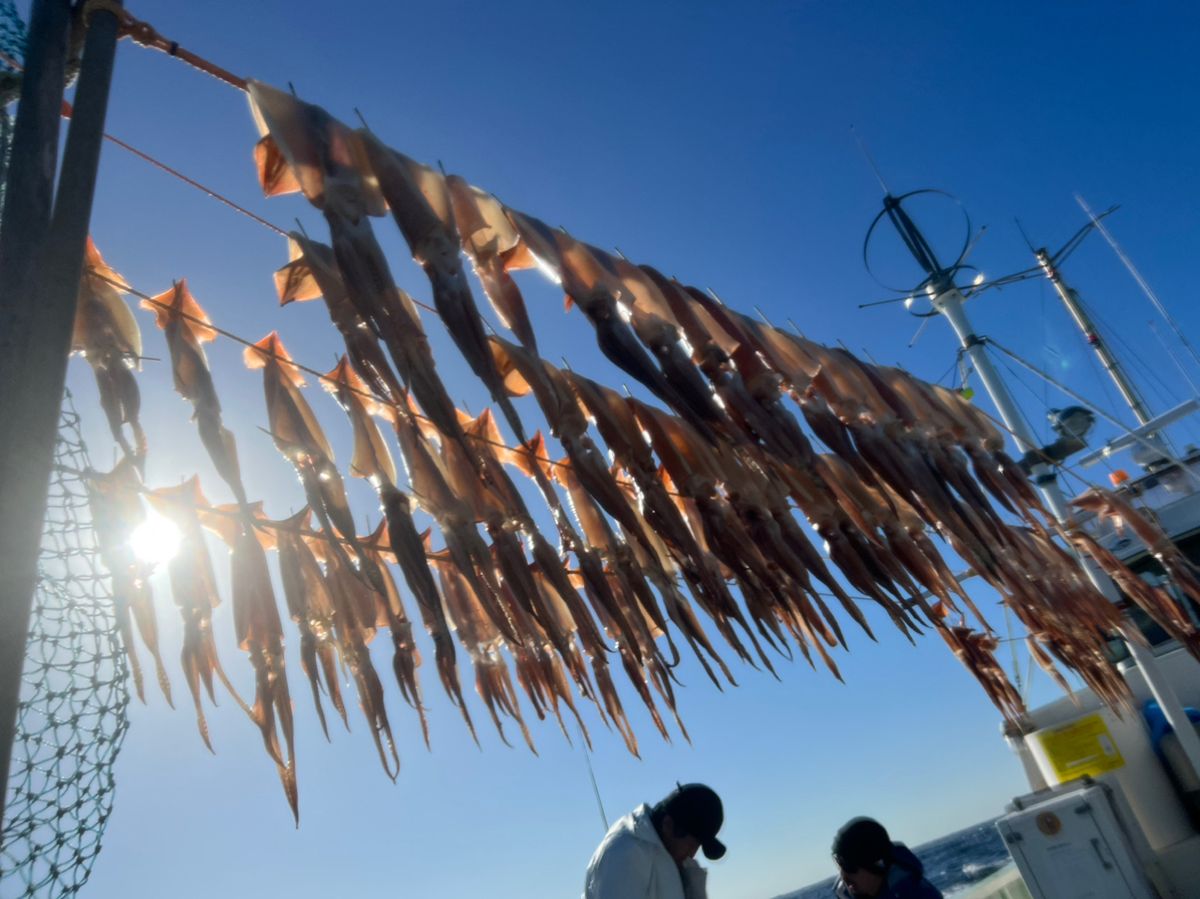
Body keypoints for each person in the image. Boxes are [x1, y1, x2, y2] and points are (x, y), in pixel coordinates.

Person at [582, 782, 726, 899]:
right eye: (691, 845)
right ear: (668, 825)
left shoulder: (674, 860)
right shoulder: (624, 854)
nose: (692, 855)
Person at [832, 817, 942, 899]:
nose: (844, 875)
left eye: (849, 866)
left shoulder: (920, 895)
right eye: (839, 864)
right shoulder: (847, 894)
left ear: (875, 865)